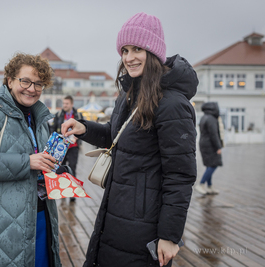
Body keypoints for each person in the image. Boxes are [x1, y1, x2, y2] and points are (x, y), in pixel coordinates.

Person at [62, 12, 198, 267]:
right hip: (116, 212)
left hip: (144, 224)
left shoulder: (172, 104)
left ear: (154, 52)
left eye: (137, 49)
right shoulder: (129, 94)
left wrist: (169, 236)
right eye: (124, 50)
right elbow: (117, 138)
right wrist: (84, 128)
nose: (129, 57)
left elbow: (180, 175)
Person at [0, 53, 61, 267]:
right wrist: (27, 162)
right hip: (1, 223)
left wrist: (56, 170)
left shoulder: (39, 117)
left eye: (39, 84)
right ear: (10, 80)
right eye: (25, 81)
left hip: (41, 216)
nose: (32, 89)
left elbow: (38, 160)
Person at [51, 95, 83, 202]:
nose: (64, 105)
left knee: (72, 168)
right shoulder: (59, 115)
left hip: (74, 146)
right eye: (63, 103)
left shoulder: (78, 115)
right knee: (62, 169)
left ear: (72, 104)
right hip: (61, 148)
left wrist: (76, 138)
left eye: (66, 104)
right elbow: (53, 129)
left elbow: (83, 130)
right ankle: (63, 191)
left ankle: (73, 193)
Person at [195, 102, 223, 195]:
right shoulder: (212, 119)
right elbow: (213, 134)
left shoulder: (204, 117)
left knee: (209, 165)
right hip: (210, 145)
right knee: (213, 165)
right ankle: (201, 184)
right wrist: (218, 147)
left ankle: (210, 186)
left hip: (203, 143)